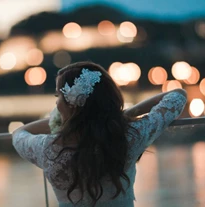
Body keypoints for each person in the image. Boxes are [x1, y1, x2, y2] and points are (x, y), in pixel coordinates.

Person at [12, 61, 187, 206]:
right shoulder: (128, 138)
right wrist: (126, 115)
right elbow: (177, 95)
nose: (57, 103)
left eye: (58, 96)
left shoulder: (48, 149)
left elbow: (19, 133)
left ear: (71, 104)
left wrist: (65, 124)